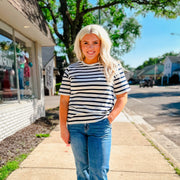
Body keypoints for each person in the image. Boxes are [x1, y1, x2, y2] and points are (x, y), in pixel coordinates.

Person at [59, 24, 130, 180]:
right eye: (86, 43)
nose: (90, 47)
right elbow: (64, 101)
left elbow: (122, 96)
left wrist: (109, 119)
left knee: (99, 172)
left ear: (102, 44)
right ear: (80, 45)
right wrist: (63, 128)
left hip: (100, 126)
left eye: (95, 42)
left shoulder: (112, 67)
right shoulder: (71, 70)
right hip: (75, 128)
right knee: (82, 171)